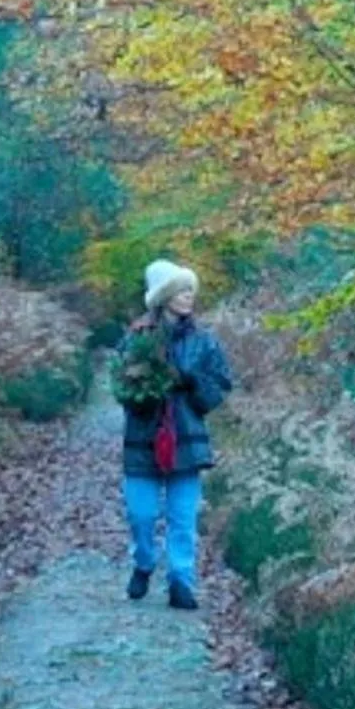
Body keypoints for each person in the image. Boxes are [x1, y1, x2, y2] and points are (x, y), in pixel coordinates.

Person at [121, 258, 233, 610]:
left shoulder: (204, 341)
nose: (188, 296)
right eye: (181, 290)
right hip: (143, 442)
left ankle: (181, 583)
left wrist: (190, 381)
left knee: (182, 519)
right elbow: (121, 388)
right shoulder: (136, 338)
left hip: (188, 441)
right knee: (141, 515)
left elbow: (221, 385)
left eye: (190, 290)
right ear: (163, 296)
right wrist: (145, 393)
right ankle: (143, 562)